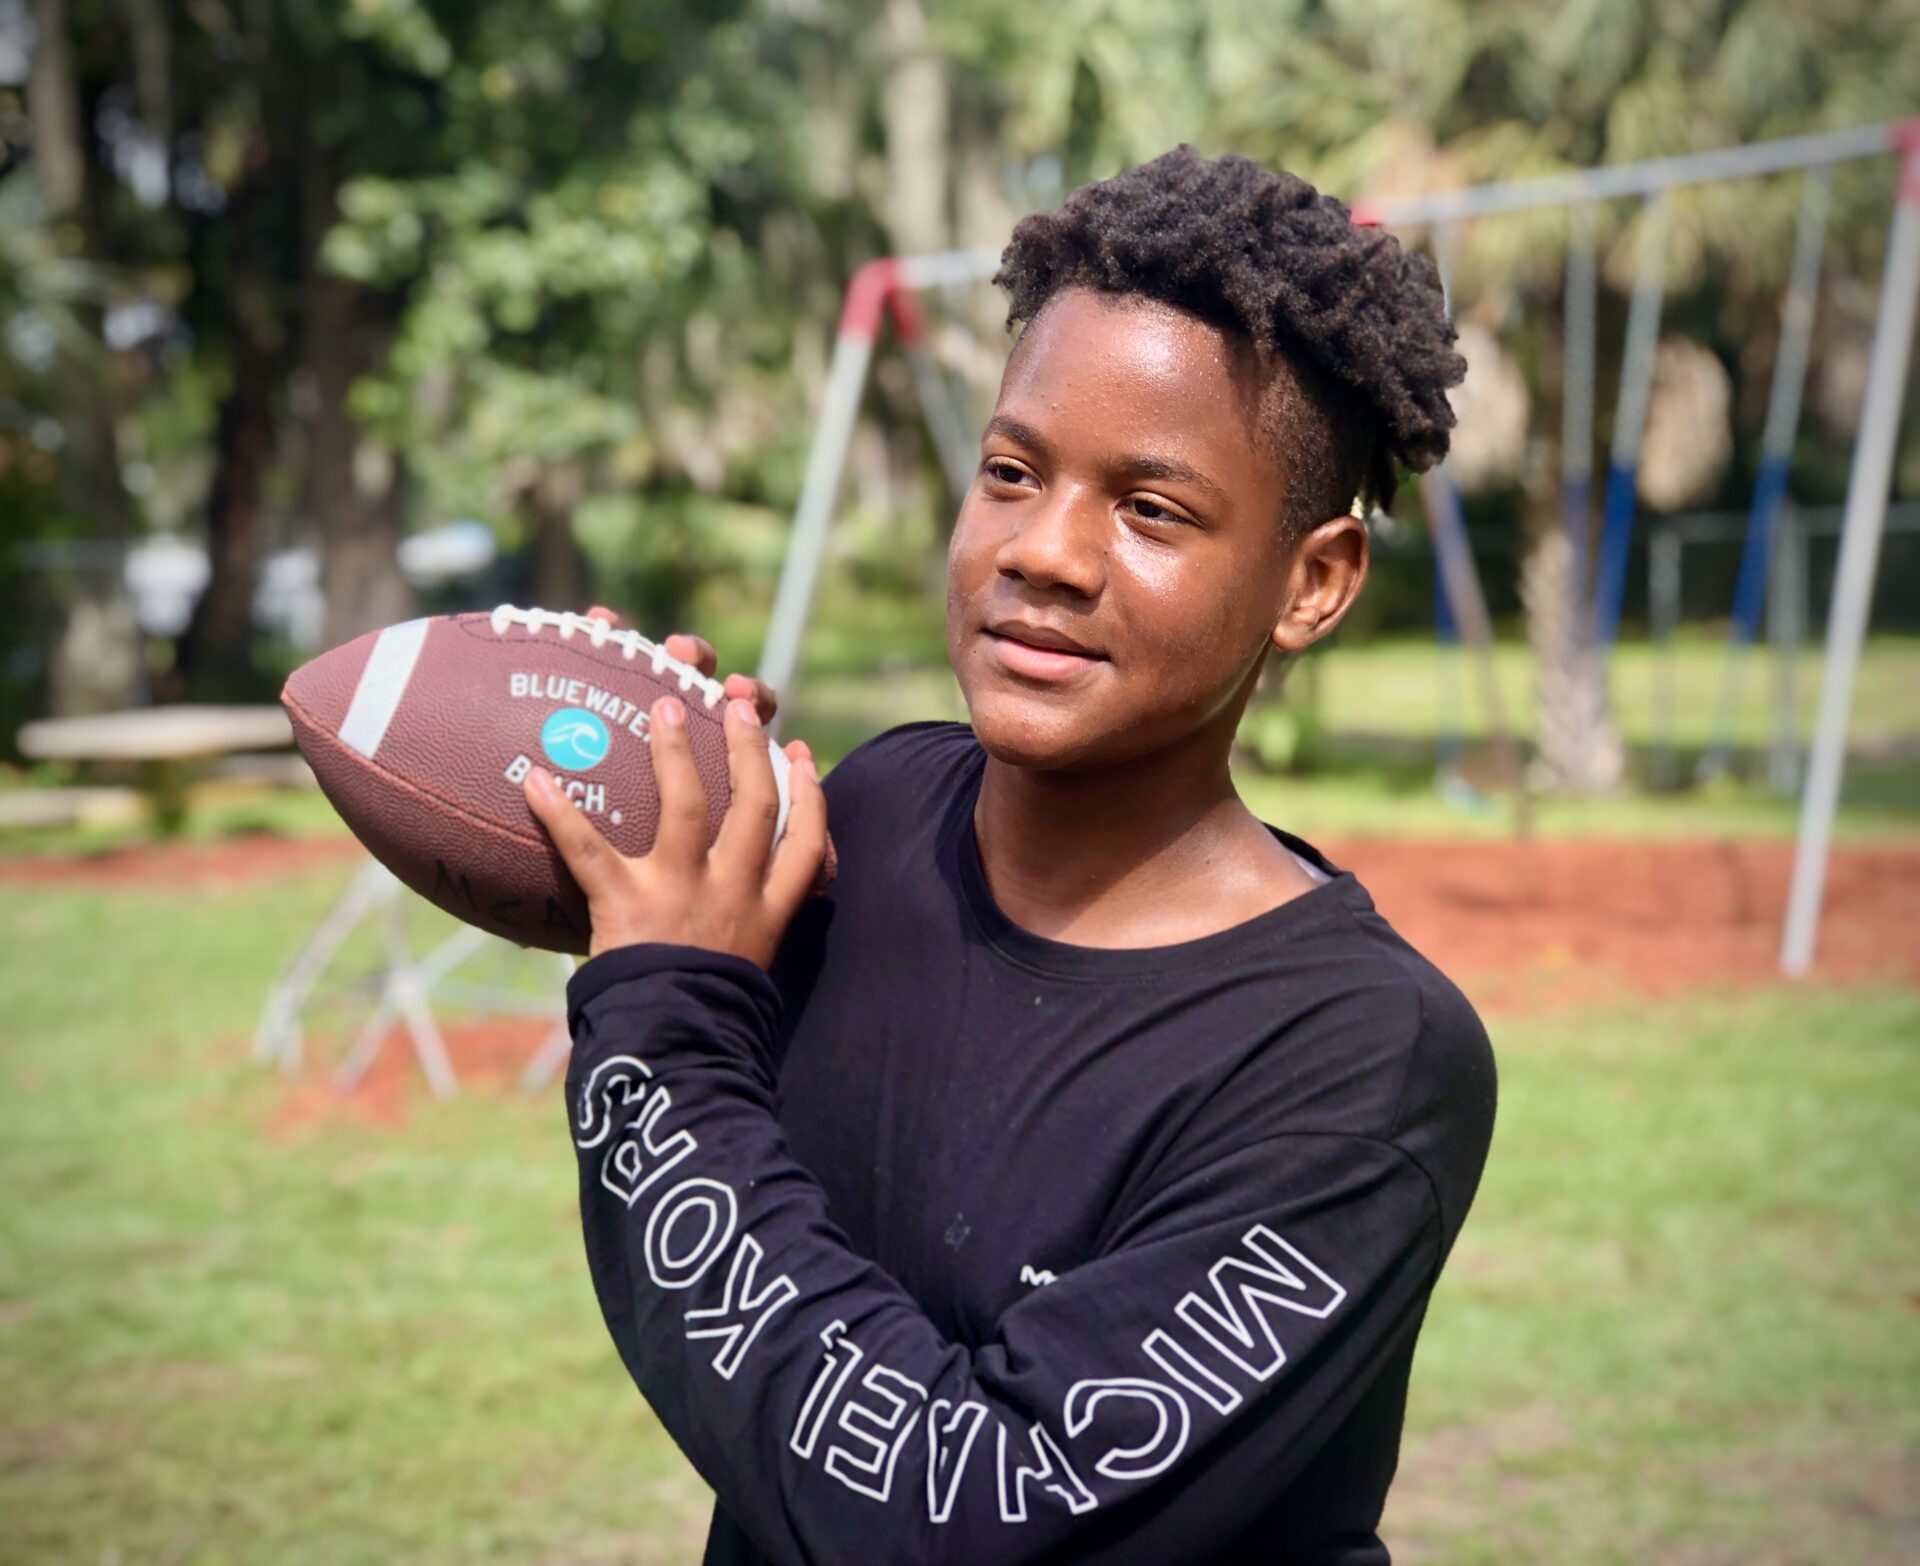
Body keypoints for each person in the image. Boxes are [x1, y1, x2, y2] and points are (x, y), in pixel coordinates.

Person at [521, 147, 1494, 1565]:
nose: (1047, 550)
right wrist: (638, 832)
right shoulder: (881, 811)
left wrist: (658, 1022)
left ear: (1313, 579)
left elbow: (957, 1512)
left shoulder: (1356, 1061)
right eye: (1010, 471)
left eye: (1151, 508)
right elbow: (701, 1049)